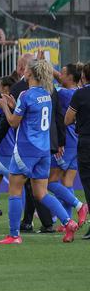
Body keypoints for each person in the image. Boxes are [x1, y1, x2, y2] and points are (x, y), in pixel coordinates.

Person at [0, 59, 85, 244]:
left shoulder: (26, 95)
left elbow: (14, 122)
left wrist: (4, 107)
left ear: (30, 74)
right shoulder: (46, 94)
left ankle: (14, 235)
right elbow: (31, 117)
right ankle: (68, 222)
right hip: (43, 151)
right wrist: (14, 106)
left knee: (15, 191)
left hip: (26, 150)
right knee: (41, 193)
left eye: (26, 69)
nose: (24, 72)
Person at [52, 63, 85, 224]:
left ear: (70, 77)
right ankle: (68, 220)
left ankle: (79, 205)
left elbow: (49, 89)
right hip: (76, 142)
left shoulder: (63, 93)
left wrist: (44, 68)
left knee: (50, 181)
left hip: (67, 143)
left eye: (63, 73)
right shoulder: (78, 92)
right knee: (67, 182)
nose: (60, 75)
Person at [64, 62, 90, 239]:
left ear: (83, 77)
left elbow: (67, 119)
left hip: (86, 141)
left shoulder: (80, 94)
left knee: (88, 183)